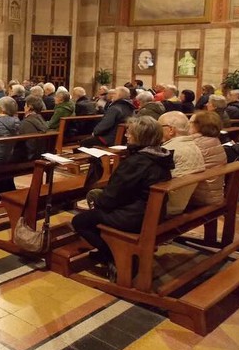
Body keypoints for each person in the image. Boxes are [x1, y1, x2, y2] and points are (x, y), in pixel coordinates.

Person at [72, 116, 174, 280]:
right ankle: (111, 251)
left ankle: (113, 255)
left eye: (130, 133)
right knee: (96, 209)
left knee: (80, 221)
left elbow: (110, 199)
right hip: (149, 212)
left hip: (133, 218)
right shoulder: (161, 156)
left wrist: (97, 200)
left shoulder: (137, 162)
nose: (126, 135)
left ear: (141, 137)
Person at [158, 111, 205, 215]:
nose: (157, 130)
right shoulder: (193, 145)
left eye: (159, 126)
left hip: (165, 206)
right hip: (182, 202)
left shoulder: (168, 151)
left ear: (171, 130)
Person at [188, 111, 227, 206]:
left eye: (190, 122)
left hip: (200, 198)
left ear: (198, 126)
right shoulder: (215, 141)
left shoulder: (196, 144)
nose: (188, 125)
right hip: (214, 194)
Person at [13, 95, 49, 162]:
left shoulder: (26, 123)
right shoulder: (41, 119)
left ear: (29, 107)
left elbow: (18, 143)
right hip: (41, 154)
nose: (24, 107)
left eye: (25, 105)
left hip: (30, 157)